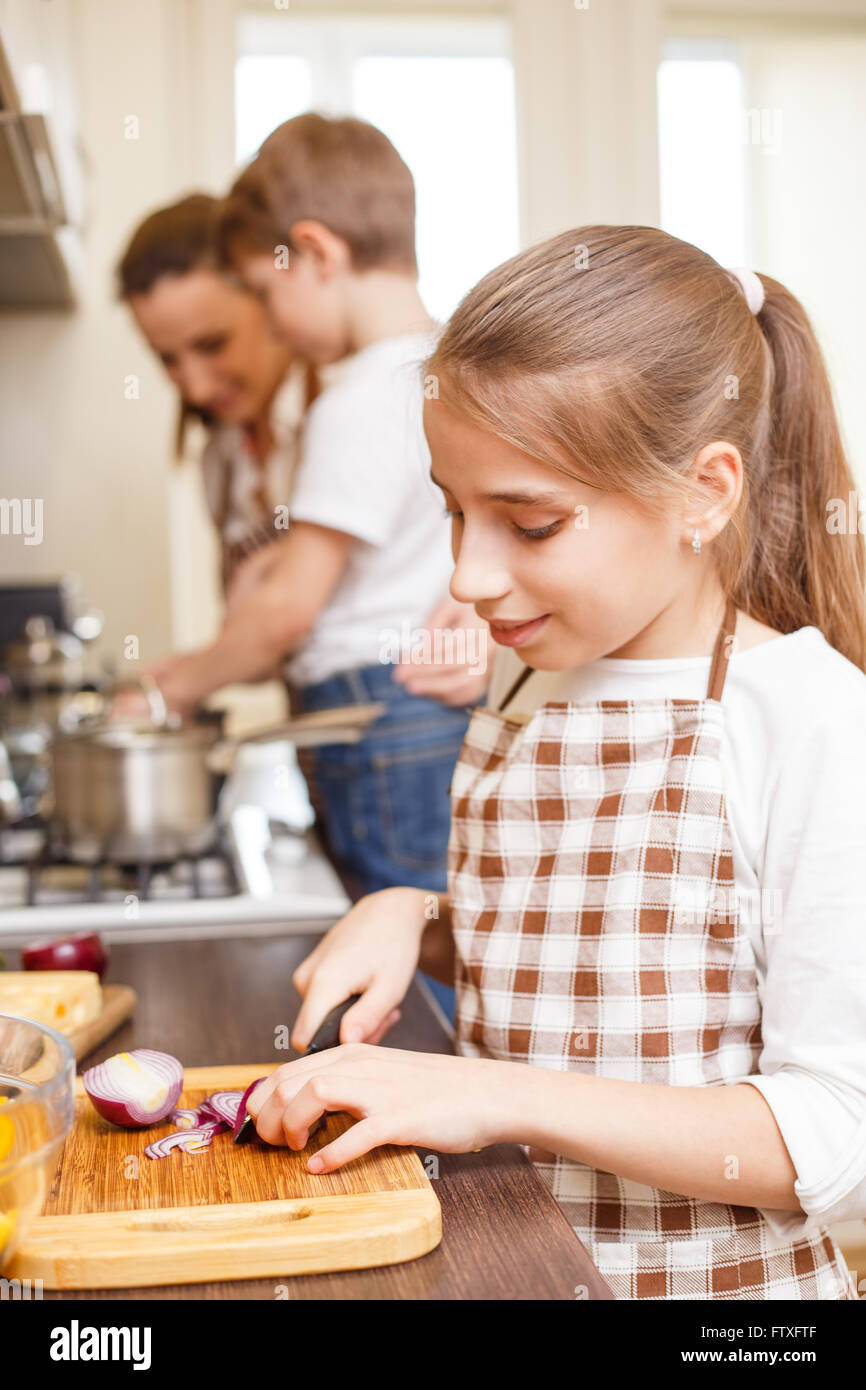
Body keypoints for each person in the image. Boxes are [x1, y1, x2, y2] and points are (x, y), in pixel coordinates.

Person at [242, 226, 866, 1301]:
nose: (469, 574)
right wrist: (414, 913)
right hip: (510, 1272)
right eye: (452, 508)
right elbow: (604, 948)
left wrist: (498, 1097)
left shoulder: (807, 721)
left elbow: (836, 1135)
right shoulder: (526, 679)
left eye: (529, 523)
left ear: (703, 494)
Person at [142, 117, 488, 1017]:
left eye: (263, 289)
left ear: (314, 255)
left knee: (402, 960)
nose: (274, 318)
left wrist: (175, 684)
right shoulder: (445, 371)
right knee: (439, 937)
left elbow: (294, 605)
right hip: (411, 712)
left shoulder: (354, 395)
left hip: (376, 718)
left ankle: (441, 1139)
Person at [118, 194, 314, 596]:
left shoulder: (353, 405)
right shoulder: (220, 462)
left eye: (212, 345)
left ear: (267, 299)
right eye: (167, 358)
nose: (196, 388)